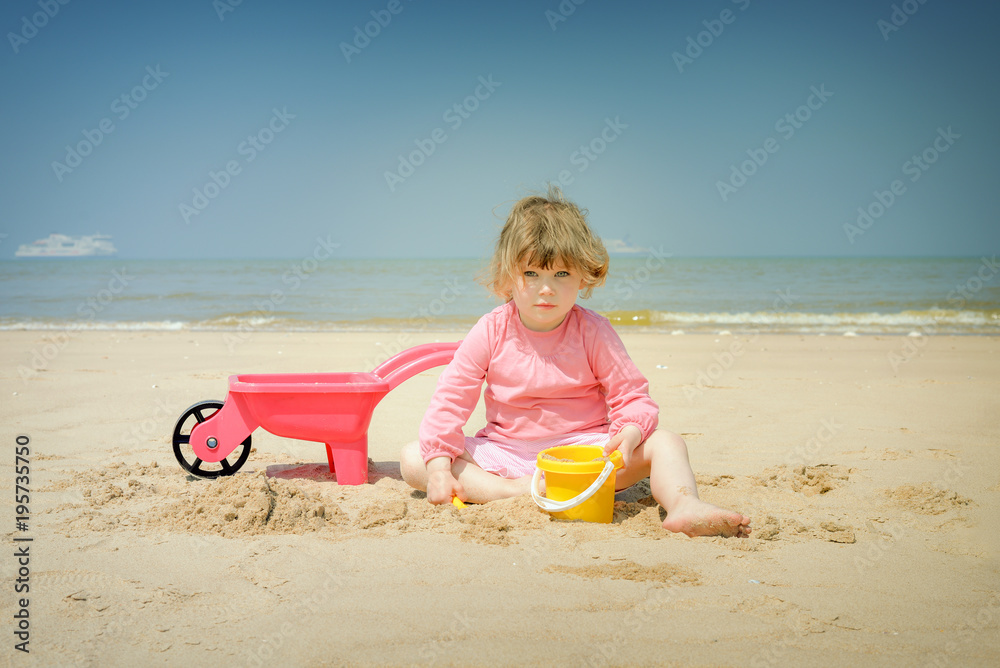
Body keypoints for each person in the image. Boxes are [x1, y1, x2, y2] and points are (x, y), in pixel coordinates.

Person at [399, 188, 750, 537]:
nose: (546, 289)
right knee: (416, 458)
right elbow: (451, 399)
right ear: (508, 275)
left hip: (585, 457)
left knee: (667, 442)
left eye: (561, 275)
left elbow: (632, 397)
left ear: (583, 275)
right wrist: (441, 465)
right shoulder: (492, 329)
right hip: (507, 454)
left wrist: (628, 434)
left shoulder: (593, 331)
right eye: (532, 274)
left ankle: (684, 505)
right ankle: (513, 493)